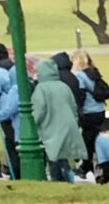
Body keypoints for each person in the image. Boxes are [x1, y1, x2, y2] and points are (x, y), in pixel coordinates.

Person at [31, 52, 84, 183]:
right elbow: (73, 106)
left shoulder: (41, 88)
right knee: (62, 156)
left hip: (51, 126)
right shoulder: (63, 86)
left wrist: (32, 125)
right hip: (68, 124)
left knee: (53, 158)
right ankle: (68, 177)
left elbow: (38, 110)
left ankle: (60, 180)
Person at [0, 44, 24, 178]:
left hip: (4, 111)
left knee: (10, 143)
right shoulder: (14, 67)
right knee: (19, 141)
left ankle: (15, 172)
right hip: (19, 109)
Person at [73, 52, 109, 159]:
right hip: (100, 110)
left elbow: (81, 94)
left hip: (88, 111)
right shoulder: (94, 73)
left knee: (88, 140)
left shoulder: (79, 75)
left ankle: (87, 165)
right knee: (98, 138)